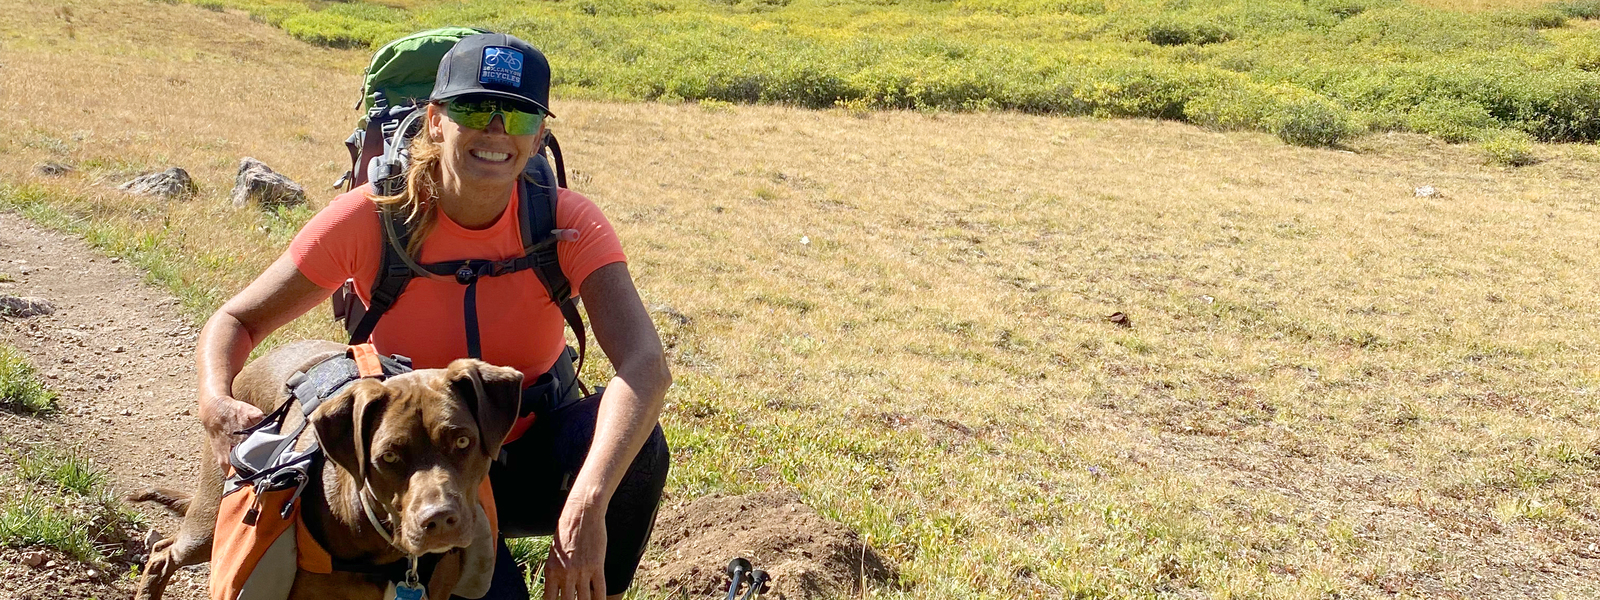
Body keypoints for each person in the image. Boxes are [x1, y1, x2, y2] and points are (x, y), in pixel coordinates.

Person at [193, 32, 671, 600]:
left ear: (540, 134)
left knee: (640, 446)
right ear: (436, 120)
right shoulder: (372, 219)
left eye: (518, 116)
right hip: (412, 475)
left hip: (530, 456)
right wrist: (215, 402)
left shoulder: (565, 222)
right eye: (474, 108)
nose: (496, 130)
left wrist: (589, 502)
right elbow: (238, 321)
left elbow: (645, 365)